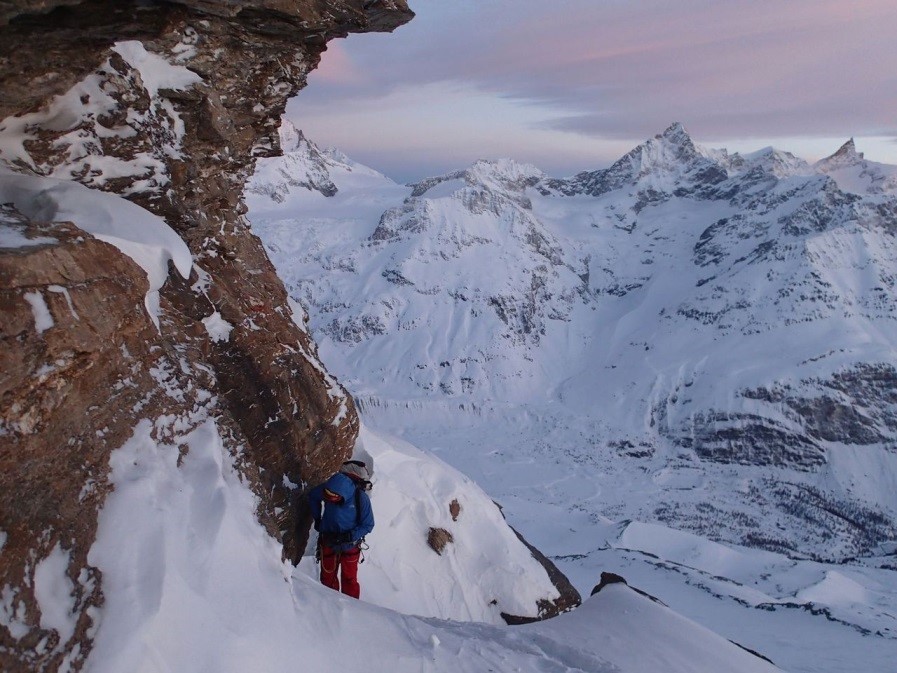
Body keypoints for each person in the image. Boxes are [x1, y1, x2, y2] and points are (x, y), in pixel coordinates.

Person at [307, 460, 374, 599]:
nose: (331, 499)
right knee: (338, 579)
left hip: (341, 543)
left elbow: (368, 524)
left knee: (337, 579)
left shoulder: (358, 497)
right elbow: (314, 496)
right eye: (328, 497)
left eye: (334, 498)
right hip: (339, 542)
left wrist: (349, 536)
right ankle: (340, 607)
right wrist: (318, 520)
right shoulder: (334, 490)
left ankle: (339, 608)